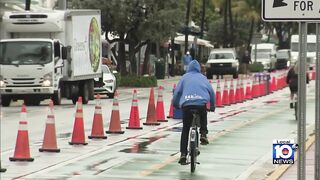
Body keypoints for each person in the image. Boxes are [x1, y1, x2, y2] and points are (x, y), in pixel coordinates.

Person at [173, 60, 216, 165]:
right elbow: (211, 93)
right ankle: (203, 134)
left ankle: (183, 154)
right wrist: (213, 106)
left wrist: (175, 104)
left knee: (186, 129)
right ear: (199, 69)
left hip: (187, 106)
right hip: (200, 105)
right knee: (203, 115)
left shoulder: (184, 78)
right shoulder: (203, 78)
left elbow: (177, 92)